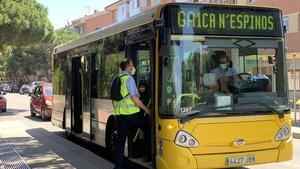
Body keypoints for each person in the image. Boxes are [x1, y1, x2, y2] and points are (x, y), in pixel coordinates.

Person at [113, 58, 150, 169]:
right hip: (131, 114)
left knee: (120, 142)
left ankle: (118, 167)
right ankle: (147, 155)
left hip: (119, 114)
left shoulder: (116, 78)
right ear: (128, 66)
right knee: (148, 127)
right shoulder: (129, 79)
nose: (133, 67)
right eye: (132, 65)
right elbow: (134, 98)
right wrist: (146, 110)